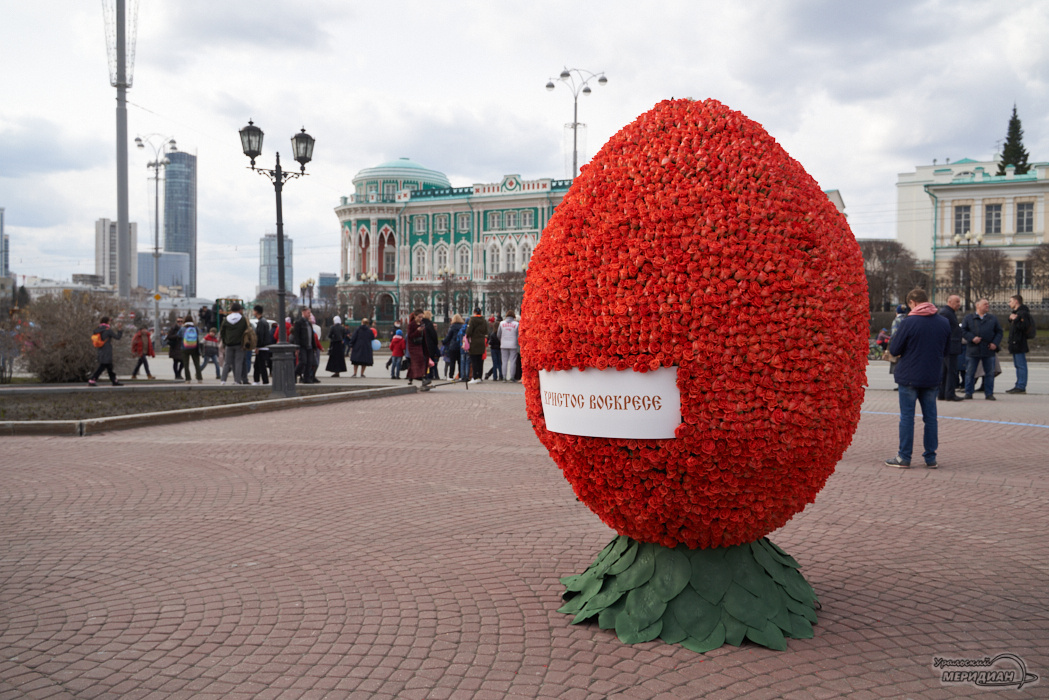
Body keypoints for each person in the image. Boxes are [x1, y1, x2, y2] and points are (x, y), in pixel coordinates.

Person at [885, 288, 951, 469]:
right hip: (932, 376)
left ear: (912, 303)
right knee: (931, 418)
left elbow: (895, 349)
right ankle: (930, 458)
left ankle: (904, 457)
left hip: (909, 376)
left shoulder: (908, 322)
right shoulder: (943, 322)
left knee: (907, 417)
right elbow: (946, 350)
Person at [961, 298, 1003, 400]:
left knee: (989, 373)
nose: (987, 306)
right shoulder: (969, 318)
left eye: (988, 304)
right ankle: (968, 392)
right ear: (977, 305)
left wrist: (995, 343)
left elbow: (999, 332)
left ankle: (989, 393)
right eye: (985, 304)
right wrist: (972, 338)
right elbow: (963, 331)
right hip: (973, 350)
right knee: (970, 372)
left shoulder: (992, 318)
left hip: (988, 350)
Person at [1006, 293, 1034, 394]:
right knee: (1018, 365)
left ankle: (1021, 386)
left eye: (1011, 301)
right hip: (1015, 342)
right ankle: (1018, 384)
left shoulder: (1023, 313)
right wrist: (1011, 319)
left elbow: (1023, 327)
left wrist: (1016, 319)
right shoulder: (1017, 313)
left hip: (1019, 342)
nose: (1009, 303)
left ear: (1016, 301)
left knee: (1021, 365)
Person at [937, 294, 963, 402]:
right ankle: (950, 394)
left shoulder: (949, 312)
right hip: (950, 347)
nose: (959, 304)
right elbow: (942, 330)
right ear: (949, 301)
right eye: (957, 302)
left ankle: (943, 393)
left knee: (945, 371)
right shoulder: (946, 313)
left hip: (949, 346)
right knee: (951, 371)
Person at [88, 315, 124, 386]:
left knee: (109, 367)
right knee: (102, 367)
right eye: (109, 321)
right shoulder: (108, 330)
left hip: (100, 350)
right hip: (107, 351)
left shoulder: (97, 329)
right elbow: (117, 337)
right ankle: (92, 379)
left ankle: (114, 381)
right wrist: (120, 330)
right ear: (107, 322)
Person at [219, 302, 249, 385]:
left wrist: (225, 342)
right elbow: (246, 331)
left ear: (231, 310)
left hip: (228, 344)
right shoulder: (243, 319)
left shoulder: (226, 319)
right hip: (239, 344)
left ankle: (223, 380)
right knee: (238, 362)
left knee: (227, 363)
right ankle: (237, 380)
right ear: (239, 310)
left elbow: (222, 332)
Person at [292, 308, 319, 383]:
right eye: (308, 313)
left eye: (310, 313)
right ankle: (294, 373)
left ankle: (306, 378)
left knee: (310, 362)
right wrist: (297, 347)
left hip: (309, 346)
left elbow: (312, 336)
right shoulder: (299, 323)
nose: (309, 314)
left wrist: (314, 346)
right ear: (303, 313)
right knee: (303, 361)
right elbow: (296, 336)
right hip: (302, 346)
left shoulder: (309, 323)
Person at [465, 307, 489, 384]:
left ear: (474, 312)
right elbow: (486, 331)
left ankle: (475, 377)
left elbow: (469, 332)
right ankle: (479, 377)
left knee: (474, 360)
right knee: (480, 360)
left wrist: (467, 336)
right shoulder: (484, 320)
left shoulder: (472, 319)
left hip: (474, 342)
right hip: (481, 342)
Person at [887, 304, 908, 389]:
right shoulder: (907, 319)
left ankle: (899, 384)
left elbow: (894, 334)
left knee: (896, 366)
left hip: (898, 346)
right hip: (907, 346)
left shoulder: (896, 320)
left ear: (897, 312)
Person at [180, 313, 204, 383]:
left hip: (184, 348)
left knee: (186, 364)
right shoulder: (195, 328)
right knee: (197, 364)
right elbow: (200, 333)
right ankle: (199, 379)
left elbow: (178, 335)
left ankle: (188, 379)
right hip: (195, 348)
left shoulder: (183, 328)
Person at [406, 311, 428, 385]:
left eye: (422, 317)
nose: (420, 318)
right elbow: (410, 336)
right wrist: (417, 331)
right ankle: (423, 377)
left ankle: (410, 378)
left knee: (415, 362)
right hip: (413, 345)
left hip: (420, 344)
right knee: (420, 360)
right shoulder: (411, 325)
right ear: (415, 316)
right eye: (419, 317)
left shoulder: (422, 323)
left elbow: (423, 335)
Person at [498, 311, 520, 382]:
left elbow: (498, 334)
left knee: (504, 361)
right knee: (513, 361)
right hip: (513, 344)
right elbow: (518, 335)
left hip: (503, 344)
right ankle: (512, 377)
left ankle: (504, 377)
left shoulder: (501, 323)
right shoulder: (516, 324)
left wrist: (502, 340)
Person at [252, 305, 271, 385]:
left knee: (261, 365)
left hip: (262, 347)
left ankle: (264, 381)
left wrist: (257, 346)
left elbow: (260, 335)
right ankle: (257, 380)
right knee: (257, 365)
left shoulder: (261, 323)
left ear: (256, 312)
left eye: (253, 311)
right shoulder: (264, 321)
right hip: (264, 347)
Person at [442, 314, 465, 379]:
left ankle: (451, 376)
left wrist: (443, 341)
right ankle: (460, 376)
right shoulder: (462, 326)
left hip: (453, 346)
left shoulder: (452, 327)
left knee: (452, 362)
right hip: (461, 346)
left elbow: (448, 337)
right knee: (460, 362)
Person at [421, 310, 440, 380]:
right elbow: (434, 336)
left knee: (424, 360)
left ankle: (424, 374)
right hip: (430, 346)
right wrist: (436, 343)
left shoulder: (421, 324)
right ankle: (429, 374)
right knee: (430, 361)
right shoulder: (429, 324)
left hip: (422, 345)